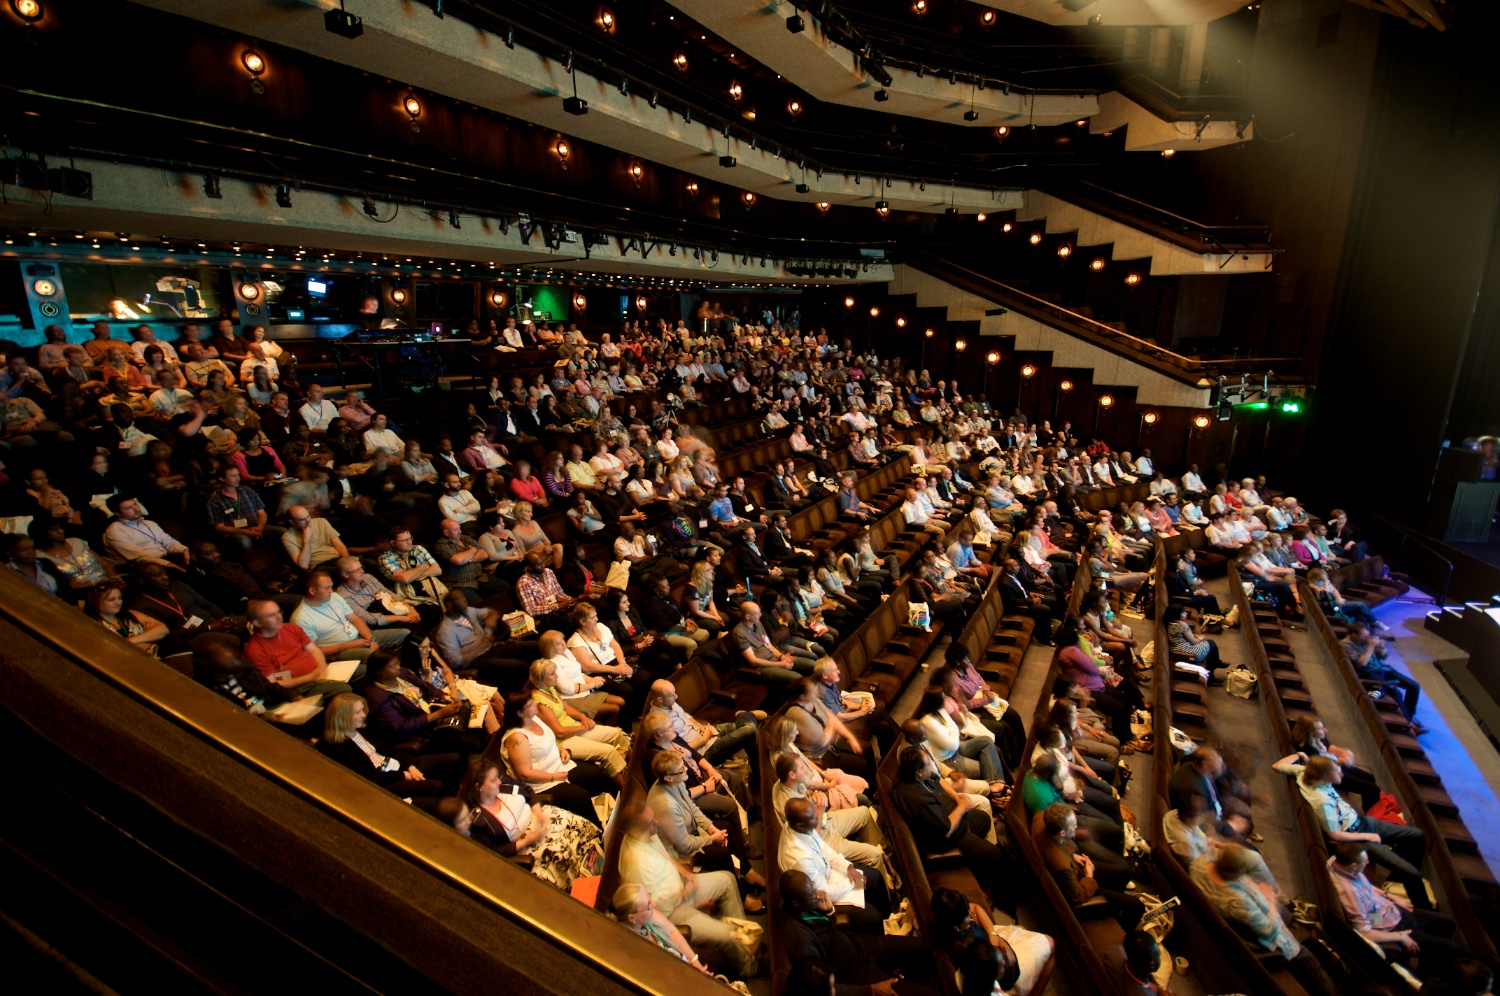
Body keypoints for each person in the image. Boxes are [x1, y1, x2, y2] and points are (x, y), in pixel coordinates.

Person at [617, 798, 757, 978]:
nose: (656, 822)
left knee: (727, 880)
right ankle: (748, 965)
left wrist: (685, 873)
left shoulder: (646, 835)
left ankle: (746, 940)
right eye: (651, 821)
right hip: (674, 910)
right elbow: (656, 908)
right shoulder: (636, 863)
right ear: (638, 829)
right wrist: (689, 897)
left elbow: (665, 857)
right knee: (725, 934)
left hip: (683, 889)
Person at [1274, 753, 1432, 909]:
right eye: (1337, 770)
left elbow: (1278, 765)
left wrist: (1300, 755)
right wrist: (1368, 836)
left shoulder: (1303, 772)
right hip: (1357, 837)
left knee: (1417, 836)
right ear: (1325, 776)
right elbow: (1334, 834)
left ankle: (1397, 879)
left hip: (1363, 822)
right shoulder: (1321, 802)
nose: (1342, 773)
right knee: (1412, 874)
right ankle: (1424, 912)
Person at [1191, 845, 1339, 996]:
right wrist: (1269, 901)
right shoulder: (1238, 902)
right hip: (1258, 943)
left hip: (1244, 922)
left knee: (1304, 936)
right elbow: (1268, 930)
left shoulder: (1199, 865)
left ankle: (1323, 952)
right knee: (1310, 963)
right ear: (1237, 875)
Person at [890, 745, 1016, 914]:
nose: (931, 767)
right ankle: (987, 888)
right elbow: (946, 829)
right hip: (947, 838)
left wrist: (957, 796)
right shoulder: (917, 799)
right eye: (928, 764)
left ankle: (976, 859)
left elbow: (937, 778)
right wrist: (962, 806)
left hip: (949, 816)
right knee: (995, 855)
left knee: (984, 820)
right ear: (919, 772)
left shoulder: (910, 772)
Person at [646, 749, 764, 912]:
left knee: (726, 827)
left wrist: (711, 828)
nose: (686, 769)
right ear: (668, 777)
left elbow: (693, 808)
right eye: (681, 769)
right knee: (720, 853)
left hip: (691, 833)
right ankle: (743, 900)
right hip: (676, 855)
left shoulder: (676, 781)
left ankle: (747, 872)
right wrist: (712, 839)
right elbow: (684, 846)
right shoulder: (665, 805)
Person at [460, 759, 602, 891]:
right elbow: (494, 852)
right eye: (492, 780)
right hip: (525, 843)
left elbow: (527, 790)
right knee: (562, 853)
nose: (498, 782)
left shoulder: (502, 782)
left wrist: (538, 812)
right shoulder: (477, 820)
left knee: (579, 826)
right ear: (478, 787)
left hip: (539, 817)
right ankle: (585, 889)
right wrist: (526, 841)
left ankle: (601, 869)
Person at [1329, 842, 1460, 977]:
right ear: (1354, 866)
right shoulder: (1349, 893)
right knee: (1453, 949)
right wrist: (1400, 937)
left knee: (1447, 923)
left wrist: (1390, 896)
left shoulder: (1335, 862)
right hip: (1391, 926)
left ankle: (1427, 968)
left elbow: (1366, 887)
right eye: (1364, 861)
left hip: (1390, 908)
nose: (1368, 862)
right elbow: (1364, 932)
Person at [317, 693, 457, 809]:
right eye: (357, 712)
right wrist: (403, 775)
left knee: (453, 759)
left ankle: (453, 802)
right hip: (385, 783)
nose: (363, 715)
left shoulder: (362, 728)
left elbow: (390, 749)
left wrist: (410, 766)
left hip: (398, 767)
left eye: (362, 710)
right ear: (343, 717)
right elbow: (367, 778)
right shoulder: (334, 747)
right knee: (435, 786)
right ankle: (445, 810)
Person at [496, 694, 614, 827]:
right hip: (541, 783)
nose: (535, 703)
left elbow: (546, 741)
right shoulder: (517, 738)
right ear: (520, 713)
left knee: (595, 774)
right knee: (581, 797)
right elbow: (524, 773)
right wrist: (553, 777)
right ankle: (597, 829)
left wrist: (560, 749)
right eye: (530, 704)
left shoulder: (535, 718)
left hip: (559, 766)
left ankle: (610, 812)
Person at [780, 797, 890, 932]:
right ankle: (881, 935)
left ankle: (889, 919)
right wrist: (852, 883)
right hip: (820, 899)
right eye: (814, 817)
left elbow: (825, 850)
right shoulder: (799, 858)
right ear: (800, 826)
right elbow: (824, 893)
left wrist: (849, 868)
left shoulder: (799, 825)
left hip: (827, 873)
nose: (818, 816)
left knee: (876, 877)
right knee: (874, 916)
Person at [1033, 803, 1142, 929]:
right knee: (1137, 906)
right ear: (1062, 833)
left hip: (1074, 864)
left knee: (1123, 871)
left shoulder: (1040, 817)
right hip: (1081, 883)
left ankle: (1114, 908)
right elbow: (1077, 895)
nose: (1076, 829)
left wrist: (1073, 854)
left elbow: (1057, 844)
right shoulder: (1061, 865)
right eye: (1073, 827)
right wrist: (1089, 876)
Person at [930, 887, 1054, 996]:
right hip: (1006, 968)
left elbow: (976, 907)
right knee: (1051, 943)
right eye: (966, 916)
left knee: (1022, 928)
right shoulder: (966, 947)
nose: (970, 913)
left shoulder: (950, 918)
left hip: (996, 941)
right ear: (955, 926)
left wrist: (992, 934)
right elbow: (998, 964)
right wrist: (997, 942)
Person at [529, 658, 630, 785]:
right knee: (608, 752)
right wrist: (584, 727)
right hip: (563, 741)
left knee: (617, 734)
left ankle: (632, 770)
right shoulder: (539, 702)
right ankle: (626, 790)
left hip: (574, 727)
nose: (557, 676)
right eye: (552, 674)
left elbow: (566, 708)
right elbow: (559, 733)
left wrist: (583, 717)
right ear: (541, 678)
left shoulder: (550, 689)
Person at [242, 598, 362, 698]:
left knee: (363, 671)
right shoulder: (255, 650)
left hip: (320, 672)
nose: (279, 617)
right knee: (343, 689)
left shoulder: (290, 628)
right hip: (299, 686)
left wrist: (321, 666)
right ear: (257, 623)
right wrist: (310, 677)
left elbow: (314, 650)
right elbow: (274, 683)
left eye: (278, 612)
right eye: (271, 615)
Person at [292, 570, 408, 663]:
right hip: (340, 651)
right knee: (375, 656)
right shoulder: (301, 619)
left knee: (405, 634)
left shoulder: (334, 597)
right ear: (312, 591)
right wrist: (349, 645)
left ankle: (401, 670)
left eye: (331, 587)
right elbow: (315, 651)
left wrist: (370, 639)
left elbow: (355, 619)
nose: (331, 591)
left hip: (360, 638)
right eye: (327, 588)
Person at [431, 589, 536, 689]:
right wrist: (482, 644)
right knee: (521, 666)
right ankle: (524, 696)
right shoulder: (445, 631)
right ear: (450, 605)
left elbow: (491, 612)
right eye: (460, 599)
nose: (464, 599)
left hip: (493, 648)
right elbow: (456, 662)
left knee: (534, 647)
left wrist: (489, 626)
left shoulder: (467, 611)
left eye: (463, 597)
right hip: (476, 661)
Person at [1342, 620, 1424, 730]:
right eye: (1364, 636)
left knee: (1414, 686)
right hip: (1369, 673)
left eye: (1367, 635)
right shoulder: (1346, 644)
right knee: (1396, 692)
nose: (1367, 638)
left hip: (1383, 669)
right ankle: (1409, 725)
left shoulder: (1367, 640)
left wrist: (1382, 647)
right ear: (1354, 634)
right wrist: (1370, 646)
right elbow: (1362, 663)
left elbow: (1383, 657)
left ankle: (1409, 715)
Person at [611, 883, 711, 972]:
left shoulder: (646, 916)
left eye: (649, 898)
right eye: (648, 905)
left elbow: (672, 932)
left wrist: (696, 963)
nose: (653, 905)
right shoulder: (636, 949)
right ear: (631, 918)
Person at [103, 494, 190, 568]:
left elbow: (168, 541)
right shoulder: (115, 531)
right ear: (118, 513)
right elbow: (138, 557)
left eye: (135, 504)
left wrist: (184, 550)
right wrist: (168, 564)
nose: (136, 509)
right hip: (142, 567)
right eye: (128, 508)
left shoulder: (149, 523)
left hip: (165, 558)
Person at [84, 580, 169, 654]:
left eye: (120, 598)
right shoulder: (94, 624)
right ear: (95, 602)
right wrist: (148, 637)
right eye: (111, 599)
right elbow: (114, 649)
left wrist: (129, 642)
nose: (118, 602)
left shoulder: (130, 614)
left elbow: (163, 629)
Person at [282, 504, 348, 574]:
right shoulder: (287, 538)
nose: (308, 521)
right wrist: (307, 540)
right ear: (292, 522)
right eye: (302, 519)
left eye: (308, 516)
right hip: (319, 566)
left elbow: (339, 545)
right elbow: (303, 565)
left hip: (337, 560)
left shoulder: (321, 522)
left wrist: (347, 561)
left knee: (357, 566)